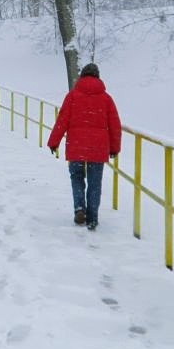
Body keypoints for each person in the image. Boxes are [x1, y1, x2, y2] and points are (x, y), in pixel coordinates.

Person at [47, 63, 121, 230]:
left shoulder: (72, 96)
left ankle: (79, 208)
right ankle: (92, 217)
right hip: (98, 148)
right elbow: (115, 125)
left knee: (77, 177)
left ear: (82, 76)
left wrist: (54, 142)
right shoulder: (106, 99)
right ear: (97, 77)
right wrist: (114, 148)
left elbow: (62, 120)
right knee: (95, 183)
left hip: (76, 146)